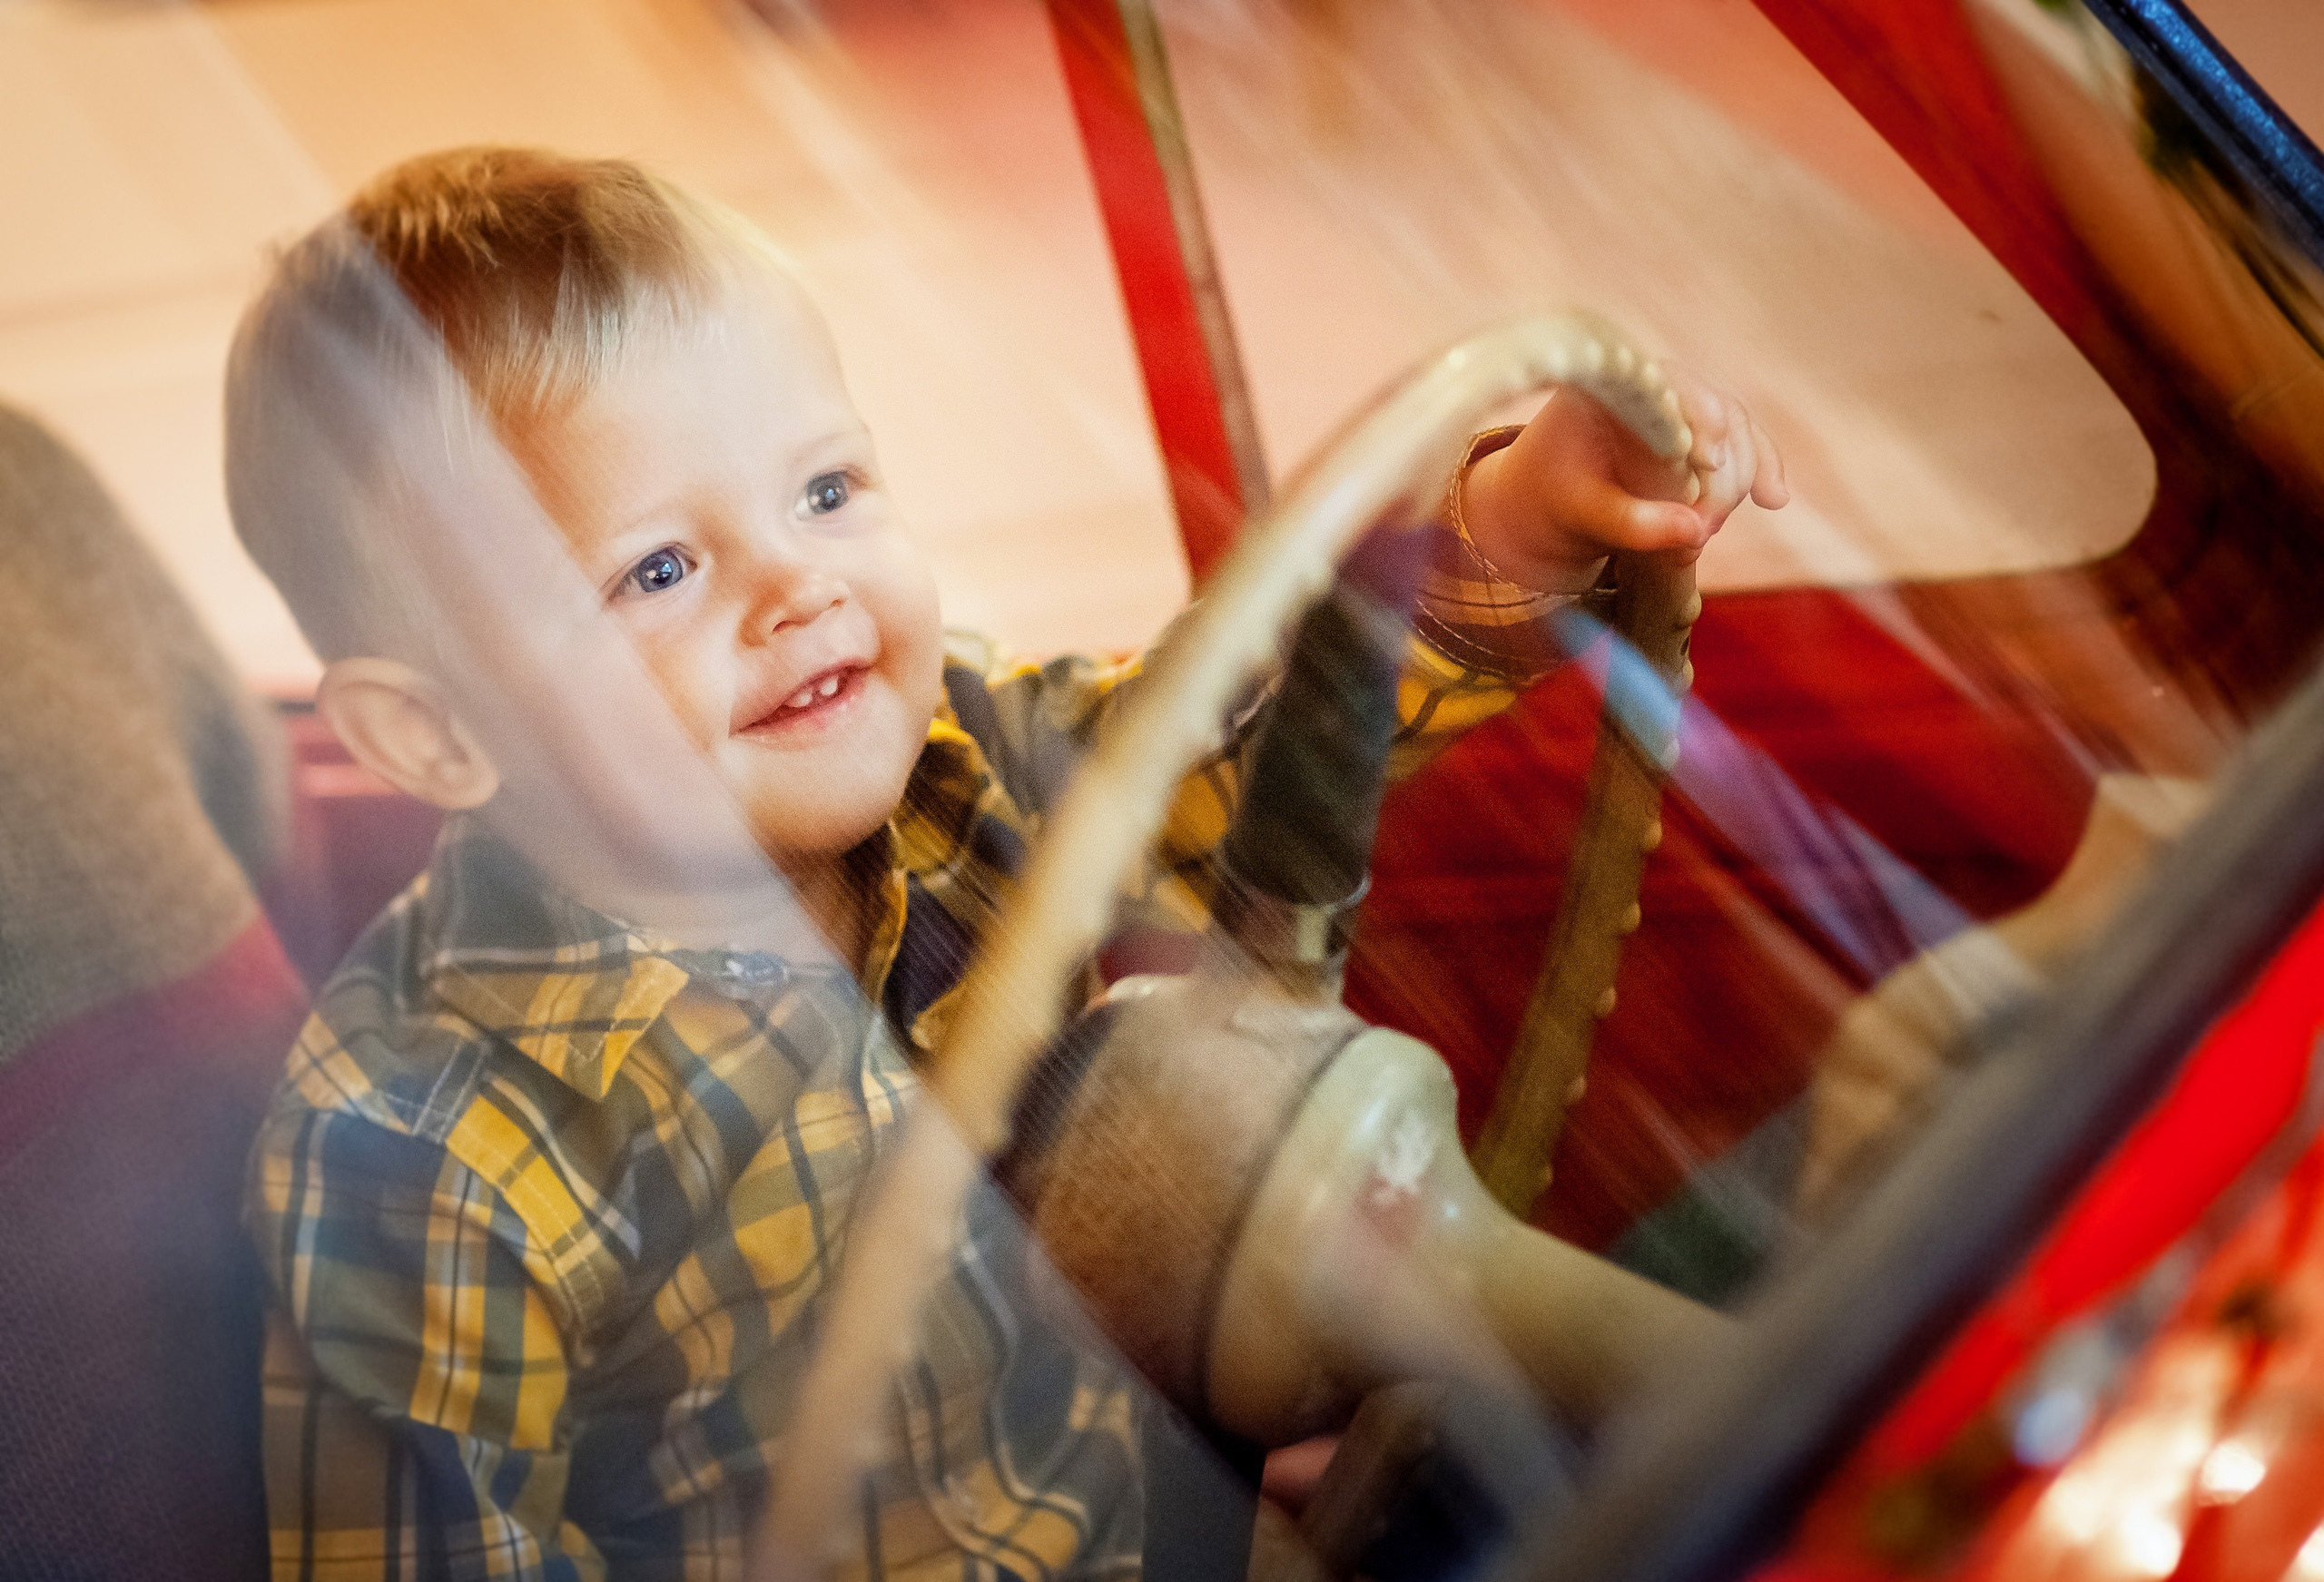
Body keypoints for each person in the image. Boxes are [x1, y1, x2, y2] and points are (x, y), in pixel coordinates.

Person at [229, 146, 1784, 1580]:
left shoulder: (952, 759)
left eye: (828, 491)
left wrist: (1512, 529)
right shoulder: (419, 1151)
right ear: (434, 738)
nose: (802, 589)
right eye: (659, 568)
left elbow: (1248, 748)